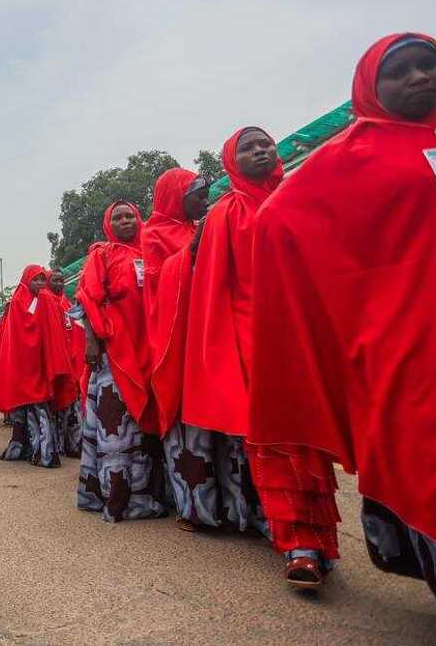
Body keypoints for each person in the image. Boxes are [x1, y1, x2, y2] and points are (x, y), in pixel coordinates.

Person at [249, 33, 436, 628]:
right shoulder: (350, 155)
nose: (422, 77)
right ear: (371, 85)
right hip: (411, 339)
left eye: (431, 66)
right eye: (402, 71)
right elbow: (279, 224)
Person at [172, 127, 285, 542]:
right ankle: (288, 532)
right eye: (248, 147)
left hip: (297, 335)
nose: (260, 151)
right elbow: (210, 286)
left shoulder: (296, 194)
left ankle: (303, 531)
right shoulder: (223, 215)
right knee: (264, 433)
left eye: (264, 143)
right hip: (246, 338)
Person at [74, 202, 166, 522]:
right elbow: (87, 298)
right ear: (108, 223)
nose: (126, 221)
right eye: (118, 217)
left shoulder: (151, 250)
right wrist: (92, 341)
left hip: (150, 348)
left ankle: (149, 495)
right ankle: (116, 495)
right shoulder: (102, 255)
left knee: (146, 424)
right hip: (116, 349)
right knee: (117, 425)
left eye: (130, 215)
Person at [0, 265, 75, 468]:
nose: (41, 283)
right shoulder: (17, 301)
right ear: (26, 280)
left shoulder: (46, 300)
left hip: (38, 364)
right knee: (25, 411)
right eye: (36, 280)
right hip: (24, 364)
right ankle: (29, 449)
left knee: (39, 409)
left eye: (43, 280)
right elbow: (19, 335)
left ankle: (44, 453)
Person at [140, 168, 208, 440]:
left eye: (206, 197)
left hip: (204, 326)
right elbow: (157, 281)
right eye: (199, 197)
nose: (205, 203)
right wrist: (191, 250)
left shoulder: (194, 228)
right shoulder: (152, 234)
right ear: (175, 197)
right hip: (176, 330)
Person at [47, 267, 83, 458]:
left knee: (72, 406)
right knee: (58, 406)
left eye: (61, 280)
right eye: (55, 280)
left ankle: (73, 444)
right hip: (57, 364)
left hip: (72, 361)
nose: (59, 284)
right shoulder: (47, 303)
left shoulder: (67, 304)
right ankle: (58, 445)